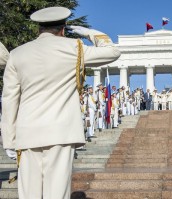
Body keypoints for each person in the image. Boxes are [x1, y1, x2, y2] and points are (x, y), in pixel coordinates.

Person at [1, 7, 120, 199]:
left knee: (29, 193)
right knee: (57, 192)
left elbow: (9, 100)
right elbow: (113, 51)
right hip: (60, 131)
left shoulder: (17, 54)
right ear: (63, 29)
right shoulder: (75, 48)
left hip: (27, 131)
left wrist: (8, 139)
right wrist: (90, 33)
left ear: (38, 28)